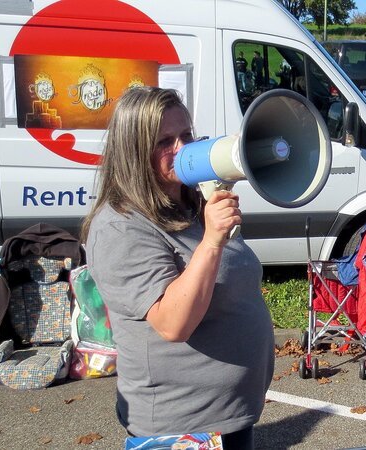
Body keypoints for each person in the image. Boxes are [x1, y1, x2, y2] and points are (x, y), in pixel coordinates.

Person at [82, 87, 274, 449]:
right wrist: (213, 241)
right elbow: (173, 323)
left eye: (186, 135)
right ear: (134, 153)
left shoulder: (191, 203)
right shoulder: (119, 227)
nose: (181, 149)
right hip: (183, 426)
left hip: (230, 414)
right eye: (164, 141)